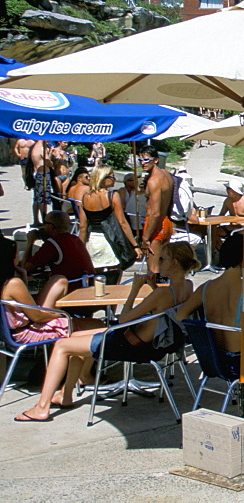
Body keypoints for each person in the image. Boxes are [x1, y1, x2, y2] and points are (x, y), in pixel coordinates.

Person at [14, 242, 198, 422]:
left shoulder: (163, 294)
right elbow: (164, 310)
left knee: (62, 344)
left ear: (174, 263)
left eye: (162, 259)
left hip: (130, 344)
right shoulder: (187, 287)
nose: (158, 262)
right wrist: (152, 287)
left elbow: (124, 319)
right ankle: (65, 394)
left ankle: (42, 407)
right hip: (156, 346)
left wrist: (134, 290)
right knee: (74, 338)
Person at [176, 234, 244, 416]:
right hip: (242, 361)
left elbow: (180, 315)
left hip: (214, 358)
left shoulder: (206, 288)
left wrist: (205, 326)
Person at [21, 211, 95, 308]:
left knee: (28, 299)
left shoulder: (52, 244)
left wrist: (30, 242)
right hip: (87, 286)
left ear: (50, 227)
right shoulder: (75, 239)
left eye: (44, 224)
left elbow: (25, 268)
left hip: (69, 290)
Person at [78, 165, 142, 270]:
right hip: (110, 241)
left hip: (93, 241)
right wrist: (135, 245)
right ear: (103, 178)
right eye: (112, 177)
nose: (115, 179)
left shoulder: (85, 198)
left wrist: (80, 248)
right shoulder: (112, 195)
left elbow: (82, 227)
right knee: (113, 280)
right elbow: (122, 222)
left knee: (96, 281)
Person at [137, 145, 174, 276]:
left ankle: (157, 293)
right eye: (140, 160)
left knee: (153, 269)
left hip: (156, 224)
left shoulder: (154, 181)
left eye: (147, 160)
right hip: (166, 222)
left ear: (156, 160)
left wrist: (145, 238)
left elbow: (155, 212)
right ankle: (166, 291)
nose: (143, 163)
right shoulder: (166, 175)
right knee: (163, 265)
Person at [29, 139, 51, 226]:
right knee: (43, 198)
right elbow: (48, 162)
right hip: (43, 175)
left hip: (38, 173)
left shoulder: (34, 147)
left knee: (37, 198)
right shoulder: (42, 148)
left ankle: (36, 220)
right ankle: (44, 219)